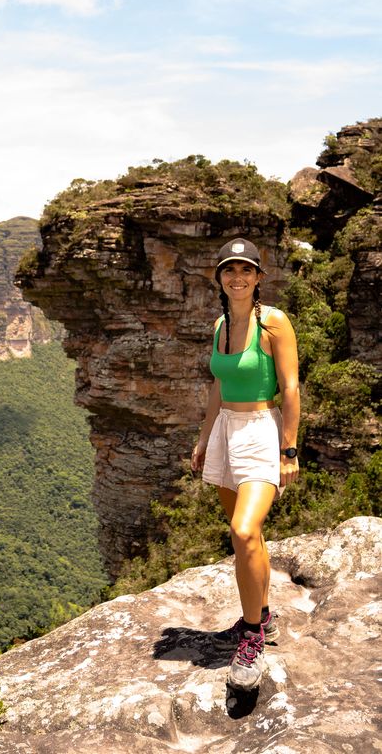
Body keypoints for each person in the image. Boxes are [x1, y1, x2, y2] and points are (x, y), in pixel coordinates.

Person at [190, 237, 300, 691]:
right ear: (220, 277)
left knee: (244, 529)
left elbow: (291, 389)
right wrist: (202, 437)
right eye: (229, 270)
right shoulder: (220, 325)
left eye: (246, 270)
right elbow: (220, 384)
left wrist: (289, 449)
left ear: (258, 277)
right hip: (225, 434)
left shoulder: (273, 322)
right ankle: (263, 616)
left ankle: (251, 638)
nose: (237, 277)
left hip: (260, 431)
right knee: (244, 540)